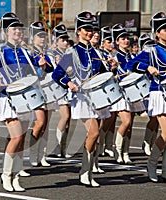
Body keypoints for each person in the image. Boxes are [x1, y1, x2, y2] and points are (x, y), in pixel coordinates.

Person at [0, 12, 46, 192]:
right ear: (6, 32)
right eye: (14, 29)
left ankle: (15, 175)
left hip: (26, 98)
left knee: (21, 140)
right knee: (16, 137)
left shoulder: (25, 52)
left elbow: (39, 72)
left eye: (20, 29)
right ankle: (6, 175)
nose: (18, 32)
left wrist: (43, 66)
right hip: (9, 98)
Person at [52, 11, 118, 187]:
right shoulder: (72, 52)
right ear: (79, 31)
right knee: (94, 132)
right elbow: (56, 73)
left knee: (96, 137)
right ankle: (84, 171)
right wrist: (69, 82)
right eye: (86, 29)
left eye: (91, 29)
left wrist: (112, 68)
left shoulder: (96, 52)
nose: (90, 32)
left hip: (98, 98)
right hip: (82, 98)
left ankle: (88, 171)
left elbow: (104, 76)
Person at [126, 12, 166, 183]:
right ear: (157, 33)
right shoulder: (152, 49)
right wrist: (148, 67)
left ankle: (165, 169)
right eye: (165, 29)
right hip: (159, 91)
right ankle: (151, 164)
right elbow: (131, 64)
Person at [111, 23, 146, 164]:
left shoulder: (132, 56)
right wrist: (114, 69)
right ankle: (117, 150)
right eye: (122, 38)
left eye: (127, 38)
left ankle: (125, 153)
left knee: (130, 126)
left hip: (133, 92)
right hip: (121, 92)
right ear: (117, 41)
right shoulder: (114, 57)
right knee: (126, 121)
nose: (126, 41)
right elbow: (109, 74)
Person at [27, 21, 54, 168]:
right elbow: (31, 75)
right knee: (39, 123)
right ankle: (32, 153)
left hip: (47, 91)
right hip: (34, 92)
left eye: (43, 35)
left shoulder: (46, 54)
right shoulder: (29, 53)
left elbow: (51, 72)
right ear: (32, 38)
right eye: (39, 36)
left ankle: (42, 155)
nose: (42, 38)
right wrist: (40, 68)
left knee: (46, 125)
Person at [49, 24, 71, 158]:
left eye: (66, 40)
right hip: (58, 87)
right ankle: (56, 146)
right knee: (65, 116)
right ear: (56, 41)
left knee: (68, 122)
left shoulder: (69, 53)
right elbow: (53, 71)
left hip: (69, 88)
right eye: (62, 40)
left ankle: (63, 147)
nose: (65, 42)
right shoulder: (52, 53)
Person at [136, 34, 158, 156]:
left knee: (158, 120)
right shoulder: (143, 58)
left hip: (158, 89)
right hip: (147, 91)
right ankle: (147, 142)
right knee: (153, 118)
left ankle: (152, 142)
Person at [97, 26, 116, 158]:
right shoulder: (98, 54)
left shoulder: (109, 56)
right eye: (108, 41)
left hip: (110, 90)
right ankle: (99, 148)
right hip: (99, 92)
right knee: (101, 123)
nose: (111, 44)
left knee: (111, 119)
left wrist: (113, 68)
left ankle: (106, 146)